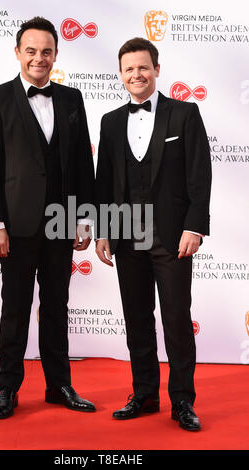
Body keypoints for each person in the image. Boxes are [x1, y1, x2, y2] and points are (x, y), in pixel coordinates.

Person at [0, 17, 96, 419]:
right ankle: (8, 388)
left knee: (57, 307)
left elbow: (81, 163)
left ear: (56, 55)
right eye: (31, 50)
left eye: (46, 51)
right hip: (16, 227)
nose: (39, 58)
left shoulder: (72, 98)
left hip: (62, 224)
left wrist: (82, 218)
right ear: (18, 53)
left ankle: (59, 385)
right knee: (15, 309)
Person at [95, 37, 211, 431]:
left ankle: (182, 401)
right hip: (128, 236)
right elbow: (105, 181)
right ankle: (144, 394)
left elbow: (200, 175)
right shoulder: (110, 122)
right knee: (137, 318)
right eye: (129, 69)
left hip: (174, 236)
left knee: (177, 318)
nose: (136, 75)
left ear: (157, 70)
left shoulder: (185, 115)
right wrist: (104, 231)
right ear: (121, 75)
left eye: (143, 67)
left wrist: (195, 226)